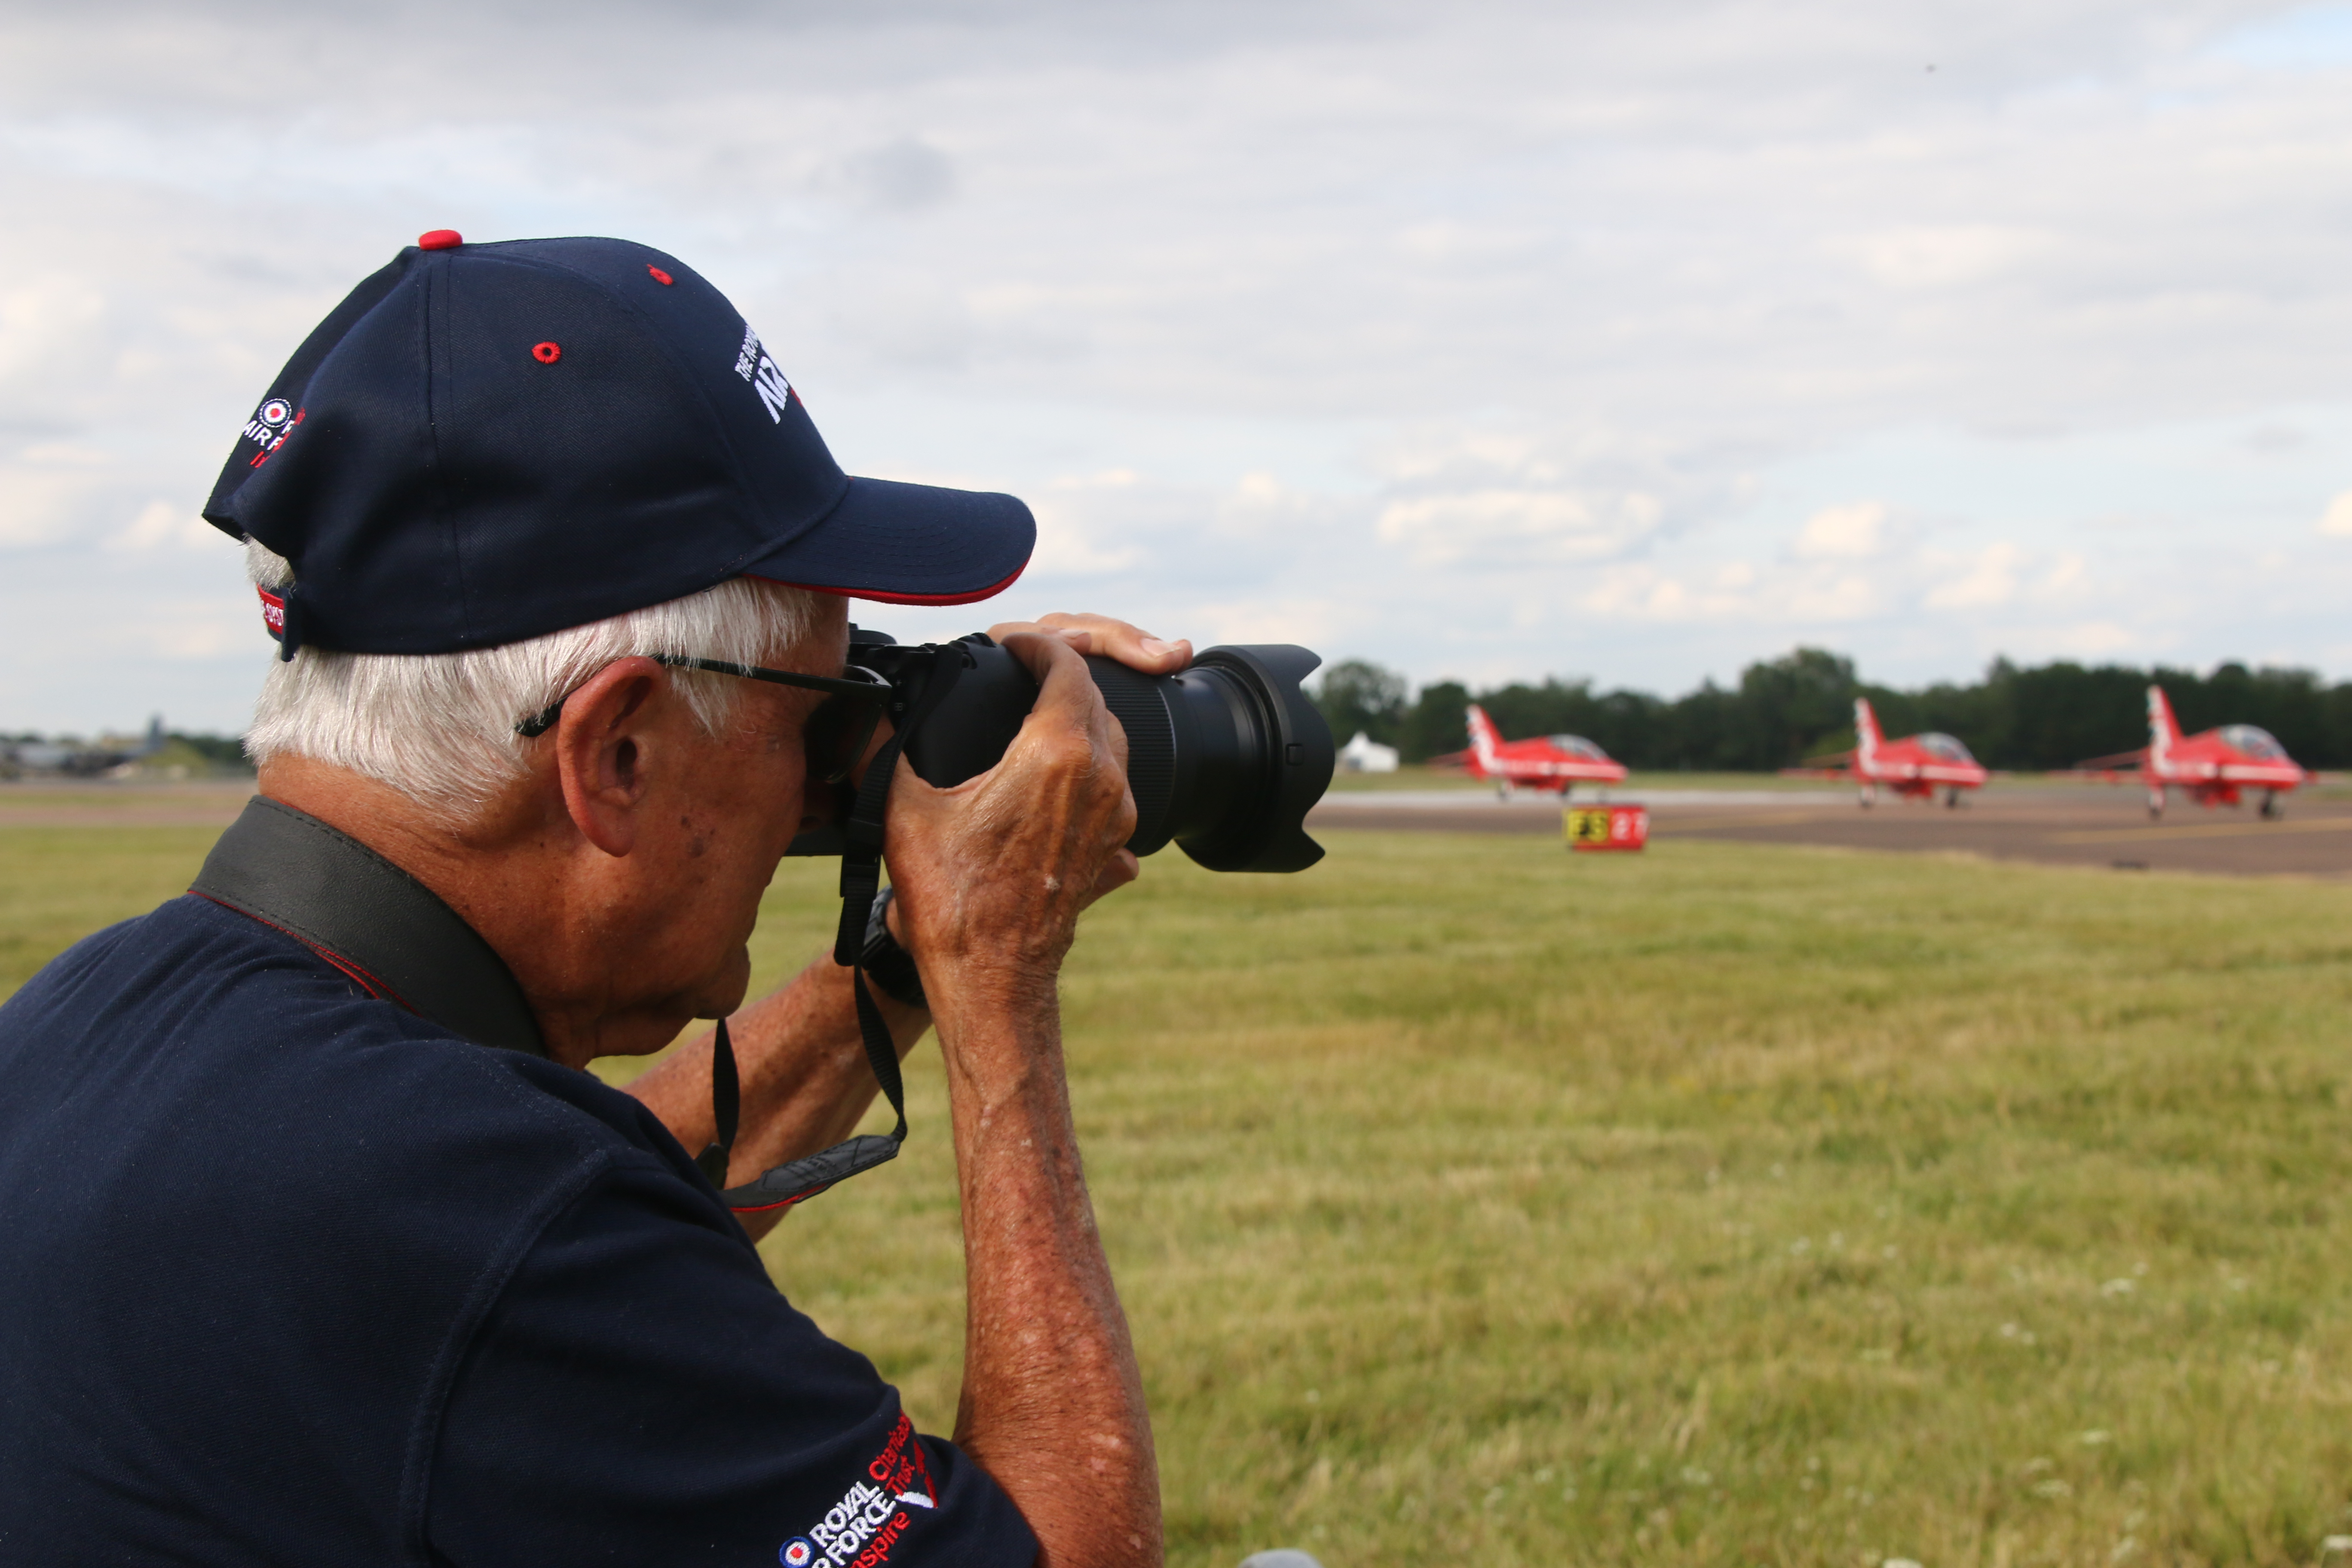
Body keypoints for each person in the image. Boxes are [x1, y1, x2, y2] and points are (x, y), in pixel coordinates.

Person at [0, 233, 1179, 1566]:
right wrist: (995, 964)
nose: (825, 782)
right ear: (617, 754)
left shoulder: (92, 1025)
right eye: (818, 711)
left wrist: (905, 951)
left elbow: (559, 1204)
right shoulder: (484, 1229)